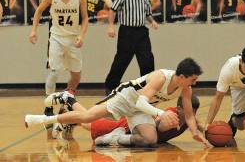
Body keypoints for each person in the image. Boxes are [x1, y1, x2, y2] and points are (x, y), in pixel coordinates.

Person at [25, 58, 212, 148]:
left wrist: (197, 133)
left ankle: (114, 138)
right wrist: (160, 113)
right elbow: (139, 101)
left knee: (150, 140)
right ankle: (42, 118)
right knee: (88, 117)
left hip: (141, 107)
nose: (194, 83)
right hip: (126, 97)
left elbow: (188, 115)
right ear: (181, 77)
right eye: (193, 79)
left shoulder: (186, 89)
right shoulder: (160, 77)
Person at [28, 0, 88, 118]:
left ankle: (67, 97)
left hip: (73, 38)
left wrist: (81, 35)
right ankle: (48, 105)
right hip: (56, 38)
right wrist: (34, 30)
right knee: (54, 71)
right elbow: (38, 11)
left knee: (76, 75)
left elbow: (85, 18)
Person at [105, 0, 158, 94]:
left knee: (147, 59)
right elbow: (113, 9)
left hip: (141, 32)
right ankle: (110, 86)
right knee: (121, 60)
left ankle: (147, 87)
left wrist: (152, 21)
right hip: (127, 32)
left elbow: (147, 13)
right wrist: (111, 26)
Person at [81, 95, 202, 145]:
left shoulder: (190, 118)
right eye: (189, 110)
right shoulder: (170, 114)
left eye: (194, 111)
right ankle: (69, 104)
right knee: (86, 123)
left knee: (89, 120)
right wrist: (161, 124)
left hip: (139, 135)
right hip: (129, 127)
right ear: (179, 108)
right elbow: (158, 122)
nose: (192, 114)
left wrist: (208, 135)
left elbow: (203, 127)